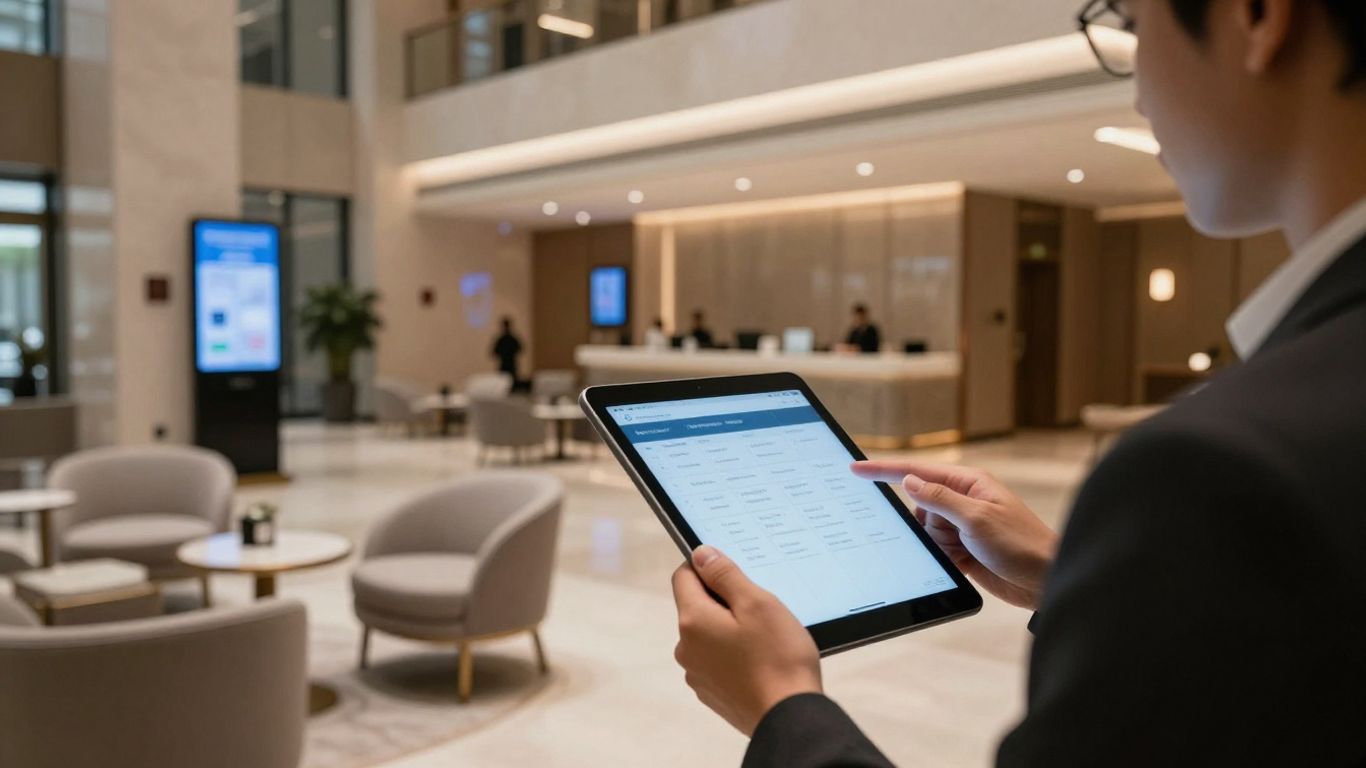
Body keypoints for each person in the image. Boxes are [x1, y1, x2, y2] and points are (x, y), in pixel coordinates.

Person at [670, 1, 1366, 765]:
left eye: (1132, 26)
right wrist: (1075, 575)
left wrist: (780, 708)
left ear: (1258, 15)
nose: (1135, 92)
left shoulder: (1218, 471)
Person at [490, 316, 523, 385]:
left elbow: (494, 352)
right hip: (508, 364)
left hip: (507, 364)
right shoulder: (511, 339)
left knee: (504, 383)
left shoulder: (502, 339)